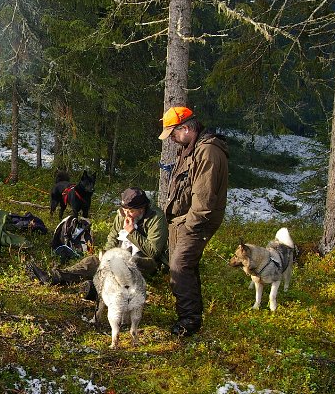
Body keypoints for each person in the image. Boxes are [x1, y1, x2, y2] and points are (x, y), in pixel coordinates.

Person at [158, 106, 228, 337]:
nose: (172, 140)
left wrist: (189, 227)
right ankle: (190, 313)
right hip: (182, 220)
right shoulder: (190, 148)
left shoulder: (207, 152)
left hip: (196, 221)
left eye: (174, 134)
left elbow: (204, 199)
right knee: (184, 267)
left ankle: (189, 322)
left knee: (180, 267)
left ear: (186, 128)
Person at [27, 187, 167, 295]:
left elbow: (153, 252)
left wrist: (132, 232)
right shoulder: (123, 213)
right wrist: (107, 254)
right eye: (125, 209)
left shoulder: (156, 217)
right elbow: (113, 235)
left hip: (144, 261)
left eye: (131, 211)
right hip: (120, 254)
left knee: (126, 265)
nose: (127, 214)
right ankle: (54, 277)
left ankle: (95, 290)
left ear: (141, 209)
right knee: (92, 261)